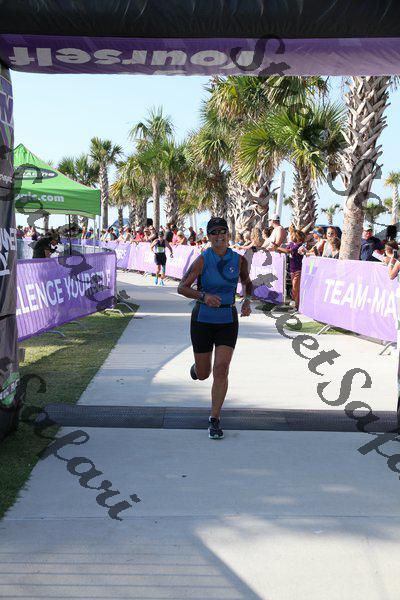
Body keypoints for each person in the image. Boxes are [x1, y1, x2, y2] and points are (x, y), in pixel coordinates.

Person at [177, 217, 252, 440]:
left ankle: (214, 419)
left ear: (228, 235)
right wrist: (203, 296)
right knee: (204, 374)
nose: (220, 236)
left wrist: (247, 301)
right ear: (208, 237)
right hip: (202, 319)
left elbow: (247, 282)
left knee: (221, 369)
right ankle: (197, 369)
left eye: (223, 232)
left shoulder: (239, 260)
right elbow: (182, 287)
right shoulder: (203, 259)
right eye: (215, 233)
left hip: (227, 320)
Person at [276, 229, 306, 310]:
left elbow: (288, 250)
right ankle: (296, 304)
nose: (291, 237)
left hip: (298, 269)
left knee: (296, 288)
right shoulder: (292, 244)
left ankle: (298, 305)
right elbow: (285, 250)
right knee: (294, 288)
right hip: (292, 269)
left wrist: (278, 247)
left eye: (292, 235)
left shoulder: (299, 245)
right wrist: (278, 249)